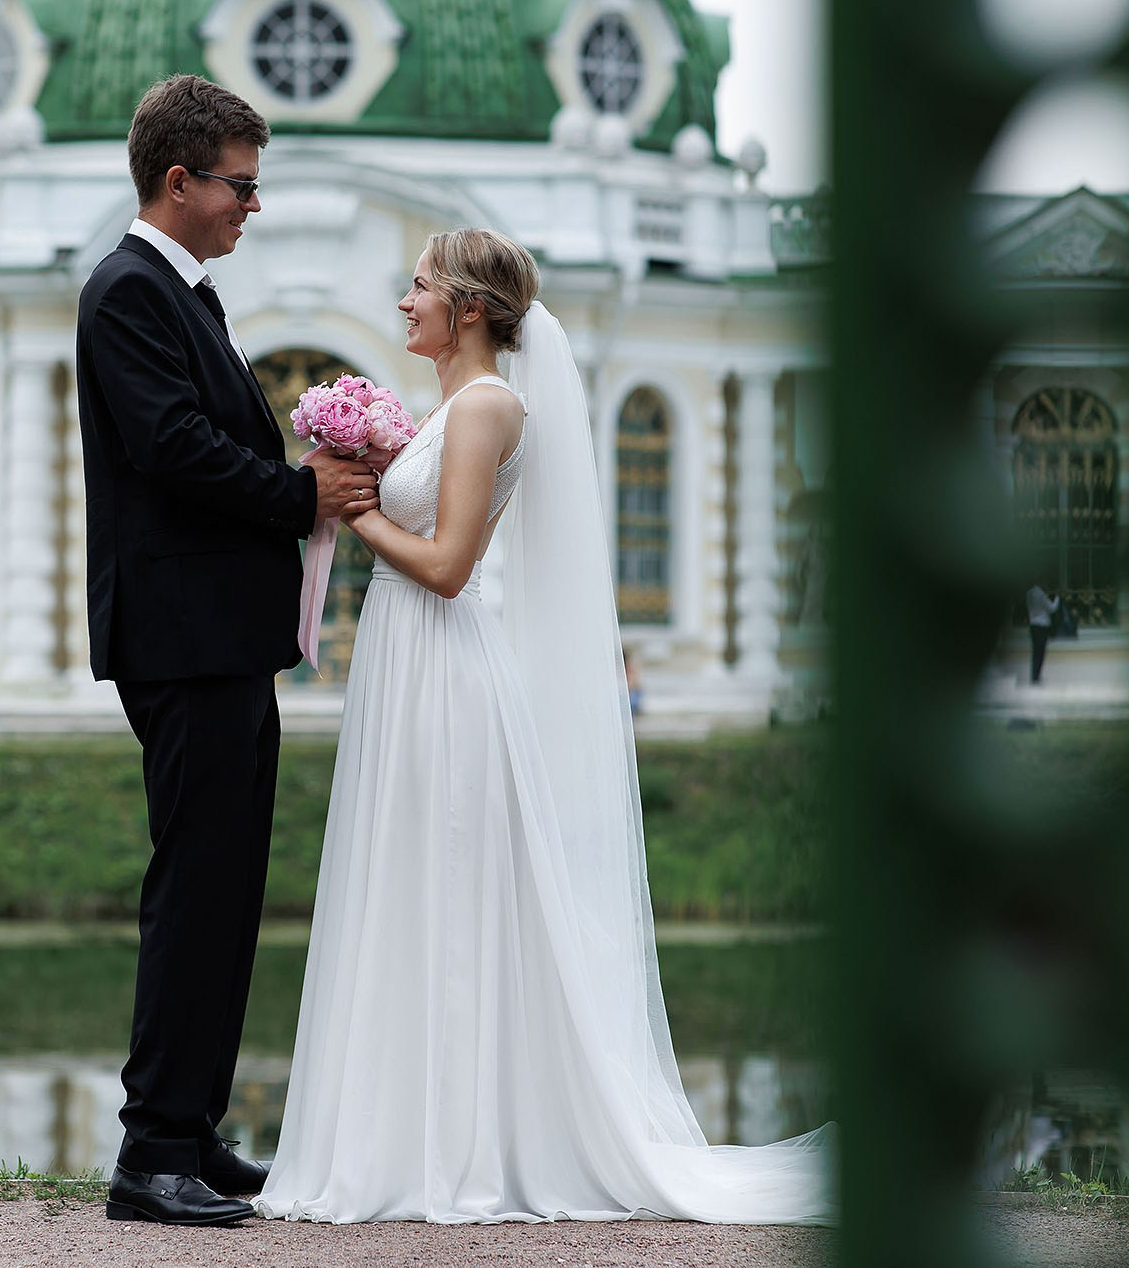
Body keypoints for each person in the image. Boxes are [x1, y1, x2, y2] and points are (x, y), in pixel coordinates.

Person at [253, 230, 833, 1225]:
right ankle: (398, 1136)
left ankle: (464, 1145)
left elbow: (446, 566)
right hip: (405, 667)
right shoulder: (451, 409)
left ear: (467, 309)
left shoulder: (485, 408)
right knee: (405, 887)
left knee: (447, 889)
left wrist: (352, 512)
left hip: (441, 670)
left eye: (420, 286)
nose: (402, 302)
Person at [75, 74, 379, 1227]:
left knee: (227, 888)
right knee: (192, 888)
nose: (253, 205)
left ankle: (192, 1129)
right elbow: (172, 449)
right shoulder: (126, 293)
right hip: (181, 637)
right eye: (241, 185)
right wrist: (301, 492)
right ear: (177, 180)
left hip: (222, 638)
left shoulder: (185, 295)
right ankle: (149, 1149)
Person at [1025, 583, 1060, 685]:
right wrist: (1057, 597)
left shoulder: (1029, 593)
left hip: (1033, 624)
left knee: (1035, 652)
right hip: (1042, 626)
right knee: (1040, 653)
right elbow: (1052, 608)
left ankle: (1034, 676)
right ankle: (1036, 677)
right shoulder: (1041, 594)